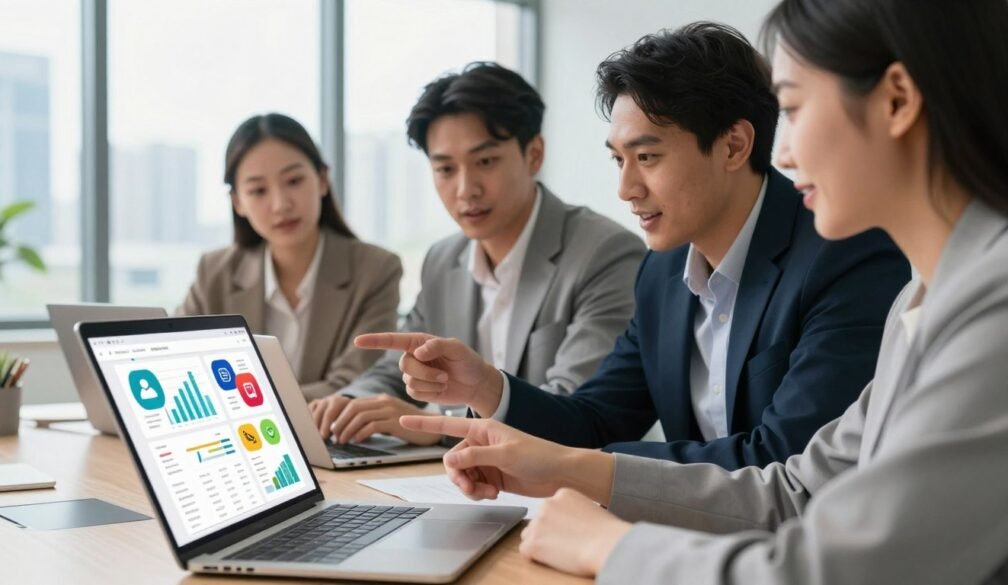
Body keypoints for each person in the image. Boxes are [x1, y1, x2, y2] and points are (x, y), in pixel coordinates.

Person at [389, 2, 1008, 582]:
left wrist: (609, 545)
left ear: (897, 100)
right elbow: (798, 490)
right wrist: (550, 451)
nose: (784, 151)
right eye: (618, 159)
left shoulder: (972, 298)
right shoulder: (922, 298)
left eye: (792, 110)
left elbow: (844, 563)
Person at [356, 24, 910, 469]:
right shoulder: (664, 271)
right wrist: (487, 387)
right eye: (617, 159)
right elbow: (598, 418)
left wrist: (572, 467)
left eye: (647, 158)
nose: (625, 189)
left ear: (735, 145)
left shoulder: (844, 255)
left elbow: (782, 459)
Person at [309, 62, 646, 446]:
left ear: (534, 154)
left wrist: (431, 424)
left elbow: (573, 413)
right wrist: (351, 402)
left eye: (485, 162)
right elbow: (395, 370)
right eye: (446, 169)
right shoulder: (442, 259)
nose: (466, 189)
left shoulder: (604, 254)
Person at [177, 113, 402, 400]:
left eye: (294, 181)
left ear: (322, 180)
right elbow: (178, 367)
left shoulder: (376, 270)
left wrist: (244, 401)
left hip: (330, 439)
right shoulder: (214, 272)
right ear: (238, 203)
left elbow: (353, 385)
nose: (281, 204)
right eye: (258, 190)